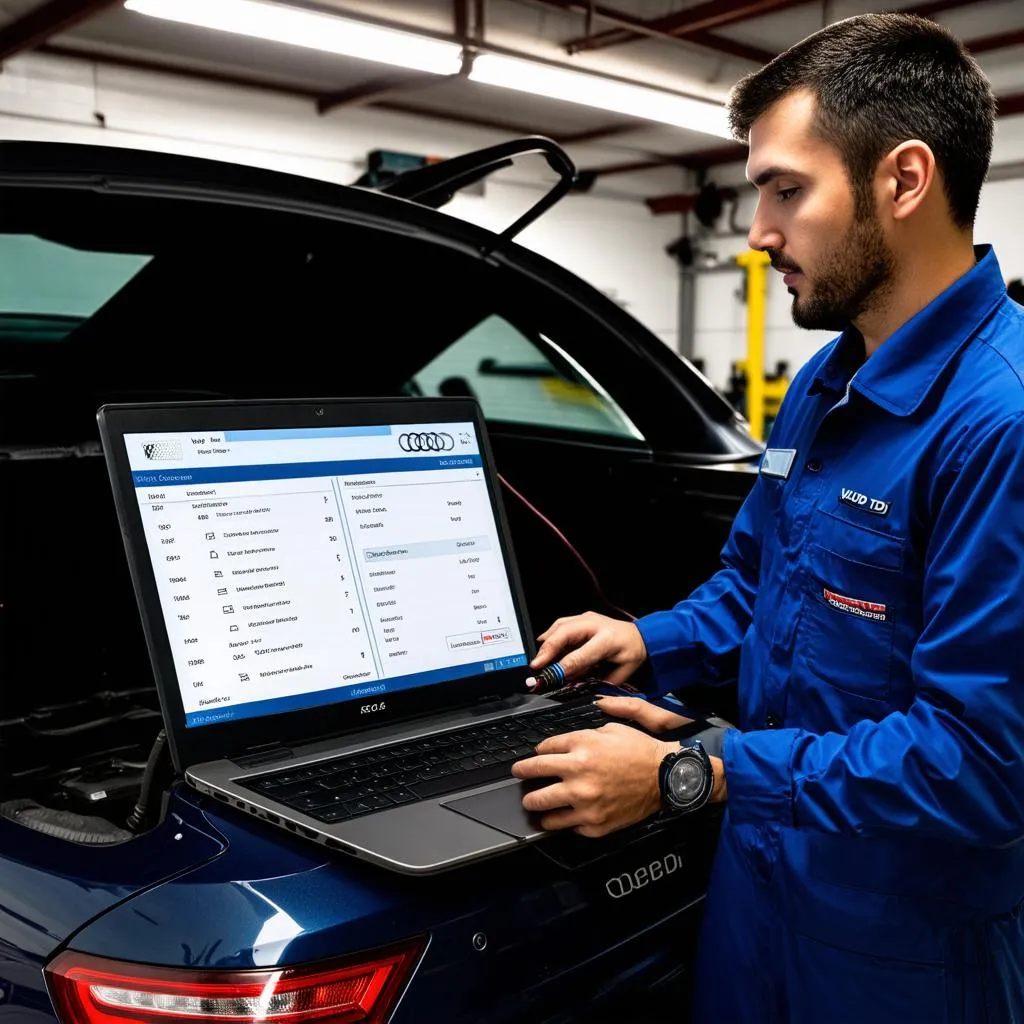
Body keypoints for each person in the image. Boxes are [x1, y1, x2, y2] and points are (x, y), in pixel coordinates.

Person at [511, 12, 1024, 1023]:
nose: (756, 233)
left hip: (903, 947)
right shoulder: (827, 384)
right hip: (758, 890)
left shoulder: (998, 424)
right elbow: (756, 582)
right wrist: (643, 641)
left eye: (786, 190)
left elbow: (979, 763)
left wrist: (690, 772)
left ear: (903, 180)